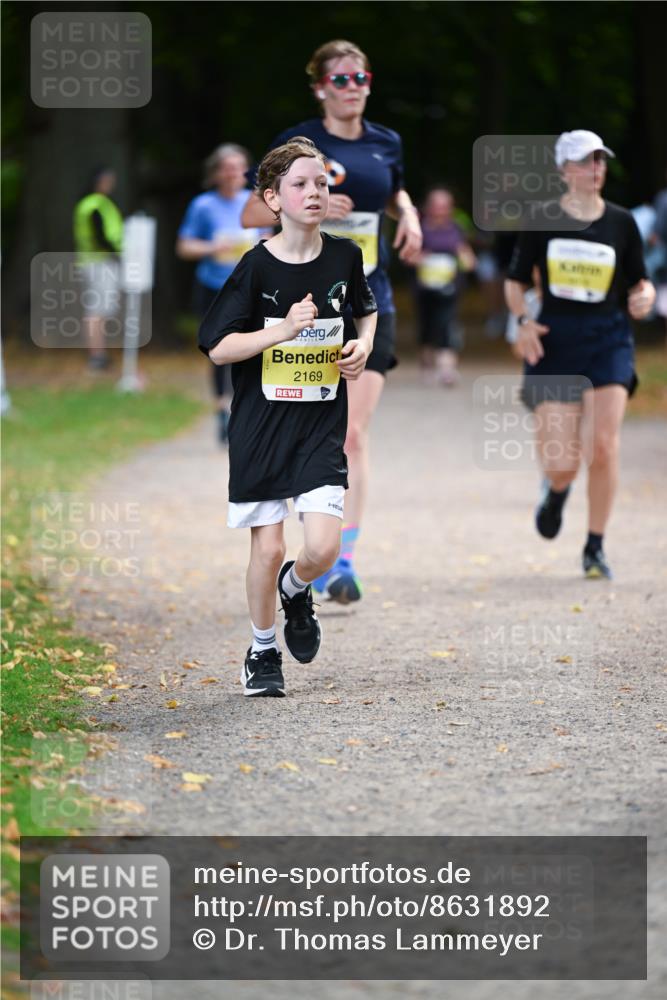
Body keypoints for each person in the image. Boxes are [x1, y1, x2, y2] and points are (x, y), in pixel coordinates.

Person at [241, 38, 421, 604]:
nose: (353, 87)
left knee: (352, 432)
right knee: (301, 426)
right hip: (305, 309)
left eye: (361, 77)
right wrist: (310, 203)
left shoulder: (385, 142)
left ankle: (341, 559)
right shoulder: (299, 144)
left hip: (371, 302)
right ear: (320, 86)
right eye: (340, 79)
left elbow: (392, 191)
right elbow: (252, 210)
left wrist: (409, 213)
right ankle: (296, 533)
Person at [198, 137, 377, 697]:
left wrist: (362, 346)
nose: (315, 192)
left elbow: (366, 311)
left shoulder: (346, 256)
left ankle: (297, 590)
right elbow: (217, 346)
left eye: (322, 182)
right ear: (272, 198)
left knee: (320, 549)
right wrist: (282, 330)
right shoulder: (255, 267)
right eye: (301, 184)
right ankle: (262, 649)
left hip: (319, 426)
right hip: (259, 428)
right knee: (268, 547)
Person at [505, 130, 656, 579]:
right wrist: (523, 321)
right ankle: (556, 490)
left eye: (600, 161)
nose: (596, 169)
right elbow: (516, 281)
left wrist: (644, 298)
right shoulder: (542, 218)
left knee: (604, 447)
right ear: (564, 169)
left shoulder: (621, 222)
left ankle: (595, 547)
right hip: (555, 341)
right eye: (586, 161)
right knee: (561, 462)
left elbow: (639, 282)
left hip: (609, 340)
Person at [177, 144, 268, 443]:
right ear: (215, 173)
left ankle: (248, 410)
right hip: (213, 287)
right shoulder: (203, 205)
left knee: (253, 346)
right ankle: (221, 411)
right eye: (226, 167)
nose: (233, 173)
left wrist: (261, 245)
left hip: (250, 288)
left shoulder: (254, 202)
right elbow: (184, 246)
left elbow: (270, 238)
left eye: (239, 167)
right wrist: (212, 247)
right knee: (218, 352)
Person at [411, 187, 476, 385]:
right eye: (436, 206)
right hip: (424, 289)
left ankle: (447, 370)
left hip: (450, 289)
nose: (440, 210)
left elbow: (468, 257)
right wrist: (421, 259)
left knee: (447, 325)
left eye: (444, 206)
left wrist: (466, 260)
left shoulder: (456, 228)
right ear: (428, 207)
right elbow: (407, 255)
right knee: (427, 327)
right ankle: (427, 366)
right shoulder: (418, 228)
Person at [73, 167, 123, 371]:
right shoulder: (95, 205)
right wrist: (116, 254)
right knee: (97, 309)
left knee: (100, 309)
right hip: (99, 262)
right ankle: (96, 355)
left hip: (95, 262)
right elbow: (100, 235)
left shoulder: (94, 204)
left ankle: (99, 352)